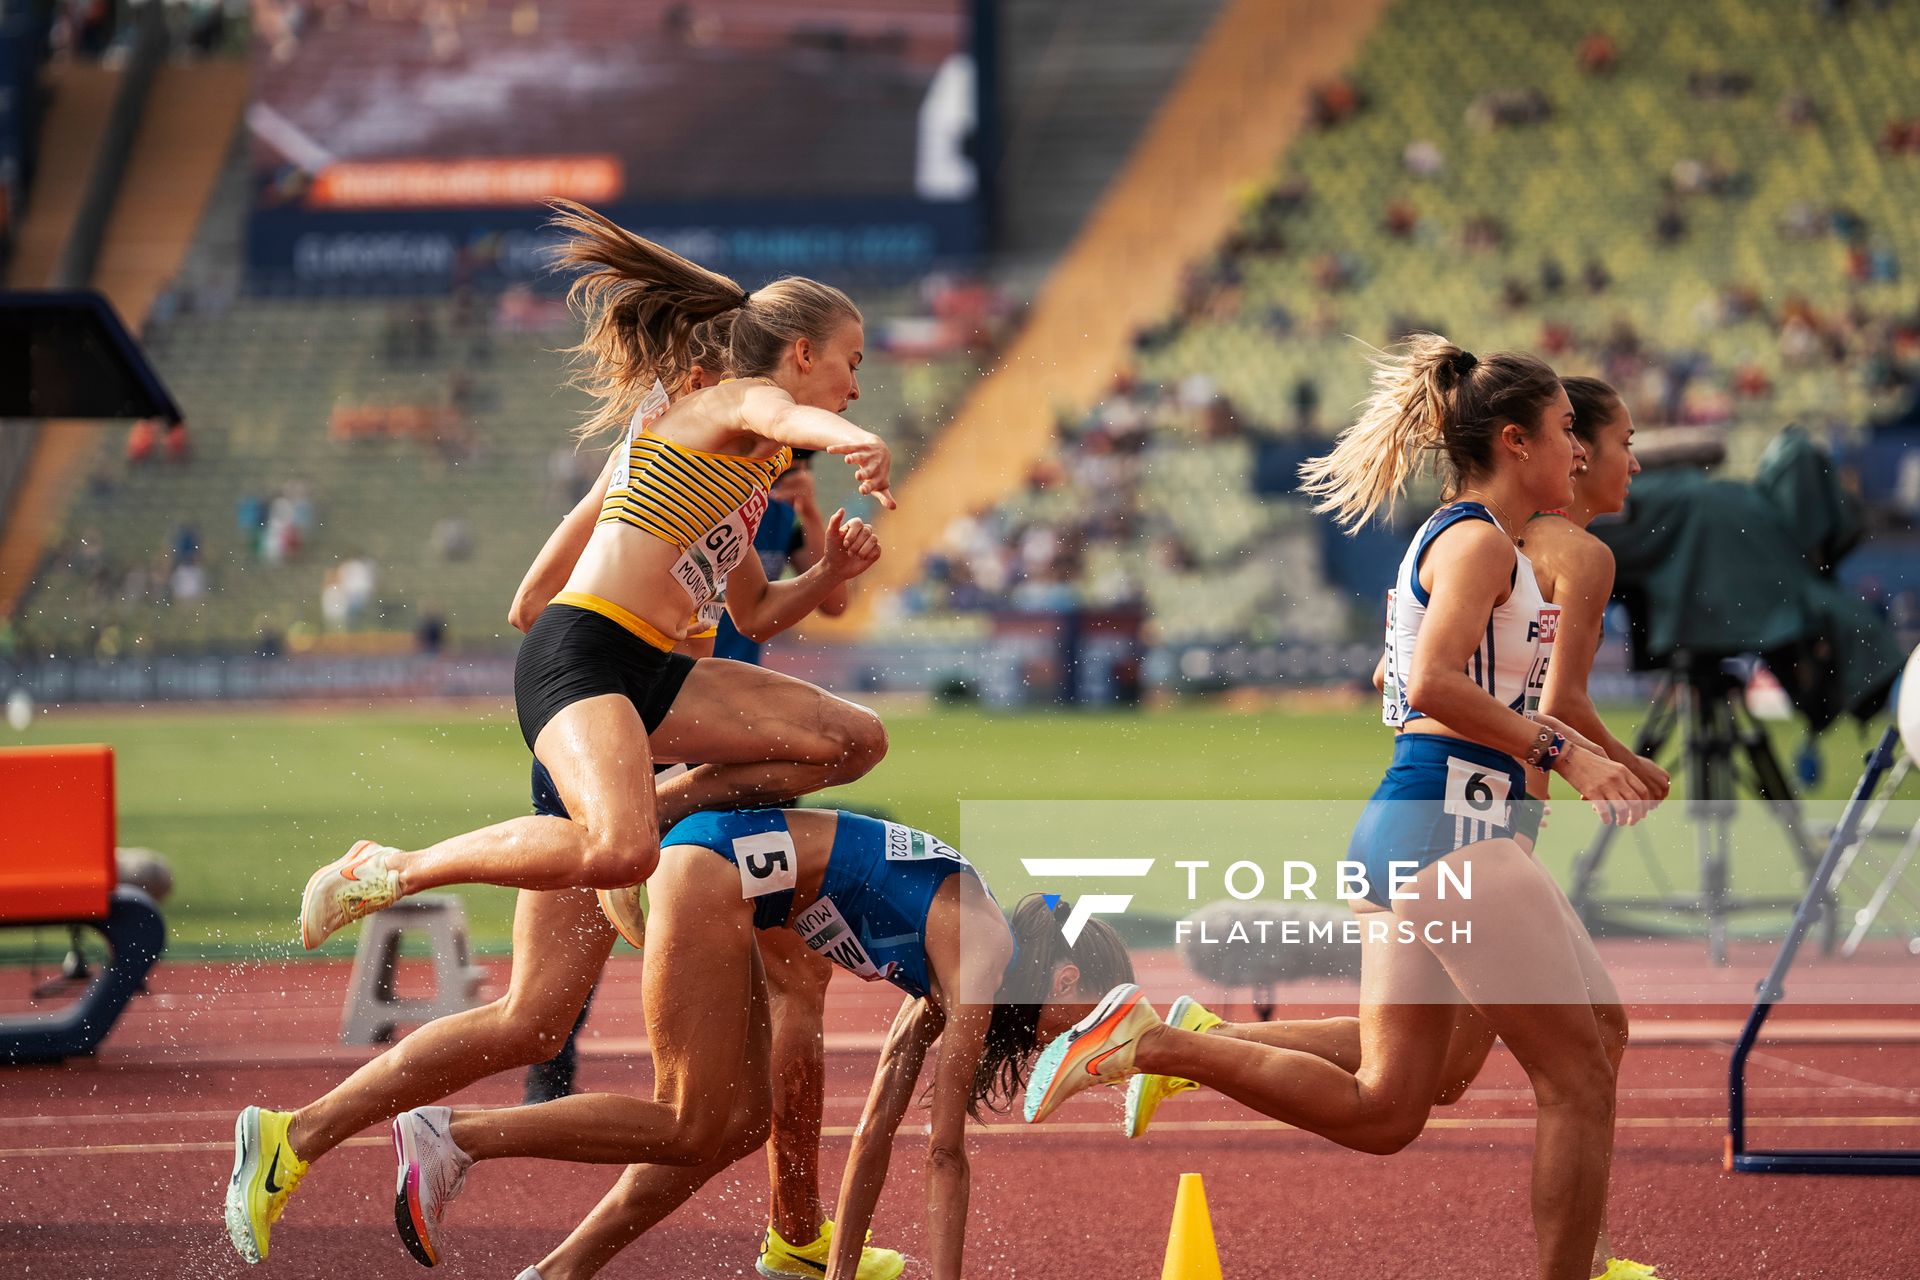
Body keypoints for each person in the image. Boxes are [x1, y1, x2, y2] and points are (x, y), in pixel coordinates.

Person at [1023, 336, 1650, 1280]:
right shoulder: (1479, 542)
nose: (1584, 450)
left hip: (1423, 827)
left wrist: (1592, 753)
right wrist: (1567, 751)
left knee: (1394, 1105)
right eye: (1570, 431)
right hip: (1453, 831)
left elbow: (1408, 674)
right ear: (1516, 441)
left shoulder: (1473, 542)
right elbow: (1436, 682)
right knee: (1577, 1081)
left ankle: (1152, 1042)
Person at [295, 200, 898, 954]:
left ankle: (655, 804)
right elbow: (789, 419)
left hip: (656, 670)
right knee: (619, 853)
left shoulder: (747, 475)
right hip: (584, 653)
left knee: (854, 741)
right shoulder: (739, 400)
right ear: (803, 353)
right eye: (854, 361)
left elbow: (757, 611)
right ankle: (394, 868)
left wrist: (830, 571)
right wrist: (857, 443)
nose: (857, 386)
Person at [376, 812, 1131, 1280]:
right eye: (1088, 1016)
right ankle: (454, 1135)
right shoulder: (979, 952)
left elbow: (873, 1134)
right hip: (713, 874)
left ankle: (560, 1272)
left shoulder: (954, 958)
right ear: (1065, 974)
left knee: (739, 1122)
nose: (1076, 1040)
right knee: (688, 1120)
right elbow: (943, 1153)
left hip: (732, 883)